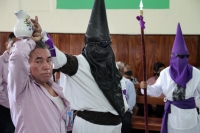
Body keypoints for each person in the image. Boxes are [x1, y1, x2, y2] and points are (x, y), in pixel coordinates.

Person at [42, 0, 128, 132]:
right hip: (90, 127)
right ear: (88, 46)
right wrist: (42, 35)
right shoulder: (77, 64)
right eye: (97, 45)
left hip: (115, 126)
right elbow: (57, 58)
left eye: (105, 45)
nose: (102, 49)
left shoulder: (111, 67)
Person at [140, 23, 200, 133]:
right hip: (173, 114)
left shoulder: (196, 73)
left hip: (189, 116)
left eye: (183, 57)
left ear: (187, 57)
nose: (180, 60)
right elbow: (157, 90)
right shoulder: (165, 73)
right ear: (172, 57)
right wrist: (146, 87)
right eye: (177, 57)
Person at [8, 30, 70, 132]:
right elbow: (18, 55)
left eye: (48, 60)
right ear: (26, 64)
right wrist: (30, 40)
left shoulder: (55, 87)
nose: (46, 66)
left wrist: (42, 34)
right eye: (38, 61)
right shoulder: (22, 88)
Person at [0, 33, 16, 133]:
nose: (16, 48)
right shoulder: (1, 61)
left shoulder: (23, 61)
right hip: (5, 108)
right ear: (7, 44)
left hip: (19, 108)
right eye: (13, 44)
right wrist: (9, 104)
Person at [116, 61, 136, 133]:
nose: (118, 72)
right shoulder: (110, 82)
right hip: (113, 110)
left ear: (122, 72)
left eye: (120, 70)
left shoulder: (129, 83)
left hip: (126, 111)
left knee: (125, 122)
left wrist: (125, 109)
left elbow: (132, 100)